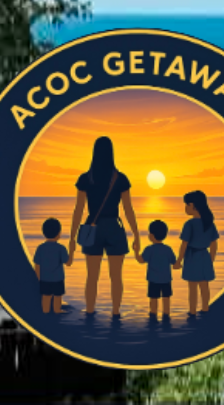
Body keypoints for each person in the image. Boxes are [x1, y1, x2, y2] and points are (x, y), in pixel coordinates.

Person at [64, 135, 139, 318]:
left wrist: (72, 237)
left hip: (92, 228)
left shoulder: (86, 178)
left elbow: (78, 210)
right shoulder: (120, 178)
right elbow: (128, 209)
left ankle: (90, 312)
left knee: (92, 277)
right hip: (114, 227)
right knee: (116, 277)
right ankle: (115, 313)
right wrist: (136, 234)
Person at [178, 190, 219, 316]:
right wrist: (211, 259)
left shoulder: (189, 224)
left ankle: (192, 311)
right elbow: (214, 243)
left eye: (187, 204)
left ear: (193, 206)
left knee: (192, 287)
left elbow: (184, 244)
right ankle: (205, 308)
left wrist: (179, 260)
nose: (185, 207)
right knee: (204, 285)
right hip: (205, 256)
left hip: (192, 256)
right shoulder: (209, 223)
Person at [136, 219, 178, 321]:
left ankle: (153, 315)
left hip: (153, 279)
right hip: (166, 279)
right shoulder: (168, 249)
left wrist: (136, 252)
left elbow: (141, 260)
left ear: (152, 235)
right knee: (166, 298)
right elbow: (174, 262)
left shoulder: (149, 249)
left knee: (153, 299)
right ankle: (166, 315)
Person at [32, 218, 69, 315]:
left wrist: (38, 278)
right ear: (59, 233)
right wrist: (71, 252)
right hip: (58, 279)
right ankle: (57, 310)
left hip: (45, 279)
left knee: (46, 296)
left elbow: (37, 265)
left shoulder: (40, 248)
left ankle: (45, 311)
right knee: (57, 296)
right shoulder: (61, 248)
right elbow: (67, 262)